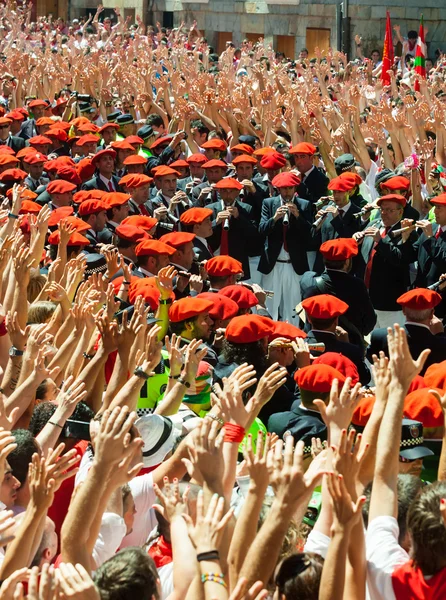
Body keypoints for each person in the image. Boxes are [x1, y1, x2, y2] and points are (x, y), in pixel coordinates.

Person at [258, 171, 313, 321]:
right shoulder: (268, 203)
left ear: (295, 188)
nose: (287, 192)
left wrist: (298, 216)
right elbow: (262, 230)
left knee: (294, 306)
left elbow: (310, 235)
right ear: (278, 189)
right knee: (269, 306)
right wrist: (274, 218)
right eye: (283, 188)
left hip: (294, 264)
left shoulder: (304, 205)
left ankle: (294, 337)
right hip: (273, 264)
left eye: (290, 188)